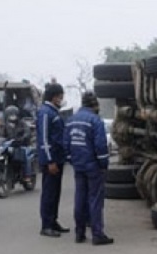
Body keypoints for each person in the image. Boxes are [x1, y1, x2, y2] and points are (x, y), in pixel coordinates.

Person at [64, 92, 113, 245]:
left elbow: (66, 144)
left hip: (78, 166)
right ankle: (97, 235)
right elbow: (100, 145)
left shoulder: (71, 120)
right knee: (95, 199)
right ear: (94, 105)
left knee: (80, 199)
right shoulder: (95, 120)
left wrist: (72, 160)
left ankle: (79, 233)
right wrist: (104, 164)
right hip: (93, 166)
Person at [36, 83, 69, 237]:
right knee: (49, 193)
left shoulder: (54, 112)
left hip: (58, 158)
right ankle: (46, 225)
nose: (61, 98)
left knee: (56, 193)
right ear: (54, 96)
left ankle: (53, 221)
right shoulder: (45, 113)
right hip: (52, 160)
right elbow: (44, 139)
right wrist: (50, 161)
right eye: (59, 96)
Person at [2, 106, 33, 181]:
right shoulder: (6, 125)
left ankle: (27, 175)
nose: (12, 117)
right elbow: (2, 135)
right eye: (10, 115)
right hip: (11, 145)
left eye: (13, 114)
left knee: (26, 157)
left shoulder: (22, 123)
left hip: (23, 145)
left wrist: (23, 138)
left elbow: (27, 132)